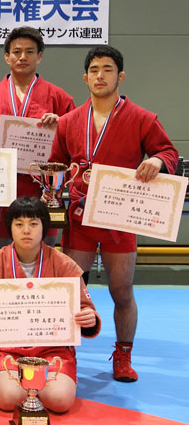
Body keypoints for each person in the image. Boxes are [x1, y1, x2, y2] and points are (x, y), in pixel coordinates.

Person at [47, 45, 178, 382]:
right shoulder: (69, 121)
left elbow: (168, 151)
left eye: (107, 69)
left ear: (120, 76)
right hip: (80, 216)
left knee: (122, 290)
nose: (100, 76)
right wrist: (52, 186)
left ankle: (122, 355)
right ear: (85, 77)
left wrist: (156, 160)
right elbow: (56, 164)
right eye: (94, 70)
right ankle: (65, 352)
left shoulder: (142, 118)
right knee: (70, 287)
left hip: (121, 216)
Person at [0, 197, 100, 412]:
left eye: (33, 224)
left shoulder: (65, 266)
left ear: (44, 227)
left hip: (52, 349)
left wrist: (88, 316)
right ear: (10, 228)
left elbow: (85, 307)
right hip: (4, 349)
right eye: (19, 224)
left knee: (59, 400)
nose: (26, 230)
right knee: (9, 398)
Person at [0, 27, 75, 258]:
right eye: (16, 51)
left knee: (43, 254)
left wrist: (62, 123)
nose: (22, 57)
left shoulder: (58, 97)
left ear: (39, 56)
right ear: (6, 57)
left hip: (42, 191)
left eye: (29, 52)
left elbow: (77, 139)